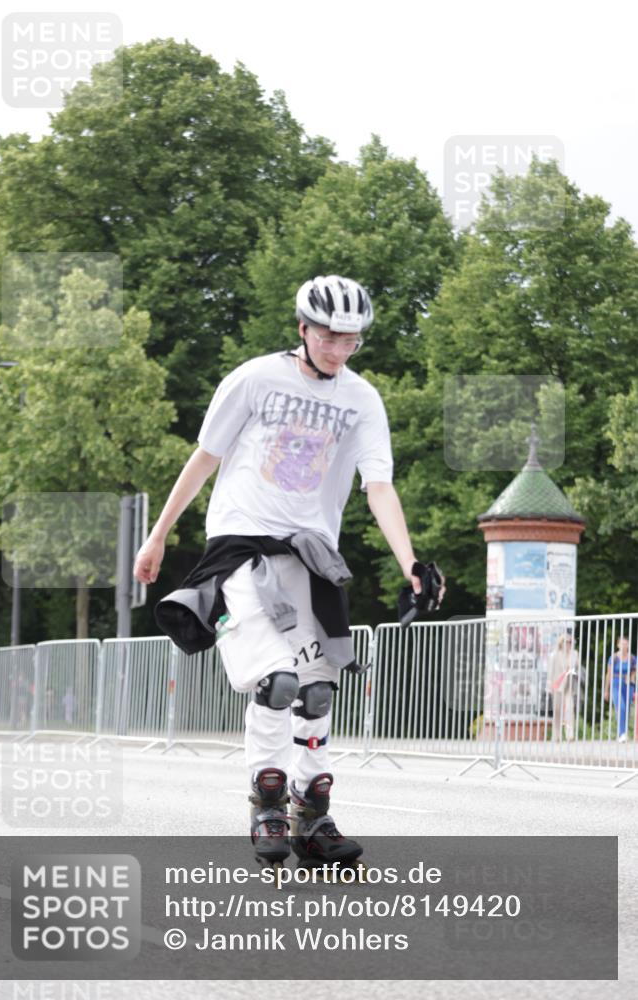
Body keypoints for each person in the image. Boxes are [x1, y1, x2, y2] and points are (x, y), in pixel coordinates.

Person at [133, 275, 445, 869]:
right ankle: (267, 800)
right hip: (241, 549)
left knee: (318, 691)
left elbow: (378, 486)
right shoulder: (254, 378)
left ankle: (311, 811)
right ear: (303, 329)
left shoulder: (363, 400)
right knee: (276, 680)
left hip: (311, 554)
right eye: (328, 336)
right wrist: (159, 532)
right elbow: (206, 457)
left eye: (350, 340)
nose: (338, 349)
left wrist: (411, 562)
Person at [546, 632, 581, 741]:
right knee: (557, 711)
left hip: (569, 686)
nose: (569, 644)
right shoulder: (555, 654)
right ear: (561, 643)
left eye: (571, 642)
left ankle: (570, 734)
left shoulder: (575, 654)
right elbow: (550, 671)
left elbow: (578, 668)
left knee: (570, 710)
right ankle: (556, 735)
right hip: (557, 685)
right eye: (567, 642)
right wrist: (549, 684)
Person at [604, 635, 636, 743]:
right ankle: (622, 734)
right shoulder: (613, 658)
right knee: (621, 707)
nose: (624, 646)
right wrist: (606, 690)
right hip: (616, 683)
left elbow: (634, 671)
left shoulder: (632, 658)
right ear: (618, 645)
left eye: (626, 644)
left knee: (626, 710)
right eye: (622, 643)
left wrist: (631, 676)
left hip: (628, 685)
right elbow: (608, 674)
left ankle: (622, 733)